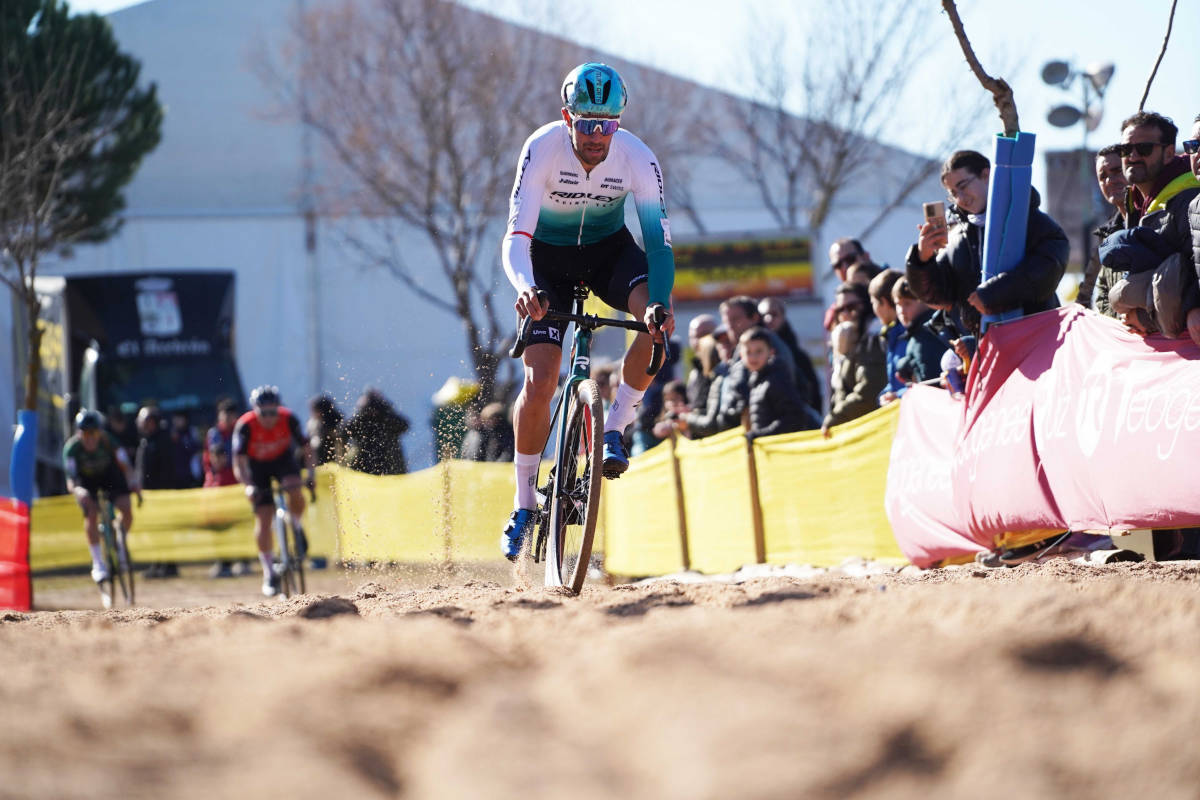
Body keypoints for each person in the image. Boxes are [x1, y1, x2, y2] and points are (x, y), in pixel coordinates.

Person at [498, 62, 676, 560]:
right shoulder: (541, 147)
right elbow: (516, 236)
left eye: (607, 124)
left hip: (607, 254)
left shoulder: (638, 158)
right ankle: (524, 502)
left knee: (655, 319)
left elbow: (659, 248)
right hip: (546, 263)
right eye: (587, 123)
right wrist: (526, 286)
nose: (598, 135)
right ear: (567, 117)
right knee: (540, 380)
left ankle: (616, 425)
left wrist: (658, 302)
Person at [907, 149, 1069, 338]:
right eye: (953, 193)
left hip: (1035, 339)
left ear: (986, 175)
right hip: (982, 346)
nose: (960, 198)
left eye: (963, 185)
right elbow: (938, 296)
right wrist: (922, 260)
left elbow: (1047, 269)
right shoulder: (955, 234)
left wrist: (994, 296)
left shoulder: (1028, 218)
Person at [1114, 111, 1200, 346]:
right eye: (1124, 150)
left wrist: (1143, 317)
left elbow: (1186, 278)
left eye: (1143, 149)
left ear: (1169, 153)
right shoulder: (1134, 205)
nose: (1131, 156)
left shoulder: (1188, 199)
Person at [231, 386, 315, 597]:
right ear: (254, 410)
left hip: (282, 461)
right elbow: (238, 464)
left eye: (273, 412)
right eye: (264, 413)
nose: (269, 417)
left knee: (295, 487)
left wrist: (311, 475)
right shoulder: (245, 426)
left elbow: (307, 448)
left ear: (279, 408)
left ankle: (295, 525)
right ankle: (269, 572)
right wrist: (248, 485)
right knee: (263, 517)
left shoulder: (289, 419)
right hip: (257, 467)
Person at [63, 410, 142, 586]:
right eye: (85, 433)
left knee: (126, 507)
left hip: (109, 477)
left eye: (94, 433)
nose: (90, 438)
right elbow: (71, 479)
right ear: (78, 433)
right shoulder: (72, 449)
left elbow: (125, 466)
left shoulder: (108, 441)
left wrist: (133, 483)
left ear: (100, 432)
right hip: (85, 482)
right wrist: (78, 491)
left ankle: (120, 545)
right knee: (91, 512)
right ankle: (98, 563)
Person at [822, 282, 886, 436]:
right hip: (852, 432)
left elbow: (868, 392)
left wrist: (834, 418)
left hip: (872, 432)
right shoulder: (843, 344)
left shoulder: (873, 341)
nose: (846, 314)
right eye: (840, 309)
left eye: (851, 307)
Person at [740, 327, 820, 439]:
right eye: (748, 352)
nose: (753, 357)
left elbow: (794, 417)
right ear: (741, 355)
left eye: (759, 351)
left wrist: (762, 434)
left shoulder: (776, 379)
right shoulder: (757, 381)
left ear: (771, 352)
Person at [758, 297, 823, 415]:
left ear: (783, 317)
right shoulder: (750, 350)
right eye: (763, 315)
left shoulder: (798, 356)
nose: (768, 319)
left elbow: (813, 394)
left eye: (774, 314)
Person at [1087, 144, 1129, 315]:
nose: (1110, 180)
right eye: (1102, 176)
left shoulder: (1158, 219)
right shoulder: (1107, 237)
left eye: (1117, 171)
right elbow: (1103, 295)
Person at [892, 276, 949, 388]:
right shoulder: (917, 334)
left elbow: (930, 383)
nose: (901, 311)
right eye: (898, 304)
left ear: (925, 302)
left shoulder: (925, 336)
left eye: (907, 303)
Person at [343, 388, 410, 475]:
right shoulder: (362, 421)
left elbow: (404, 425)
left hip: (389, 464)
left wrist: (385, 412)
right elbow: (344, 430)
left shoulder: (387, 418)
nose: (372, 413)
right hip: (365, 465)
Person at [824, 238, 881, 332]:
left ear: (866, 257)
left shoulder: (891, 289)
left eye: (850, 259)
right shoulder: (836, 310)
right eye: (838, 265)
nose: (845, 267)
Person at [868, 269, 906, 405]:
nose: (874, 309)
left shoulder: (907, 334)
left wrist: (899, 396)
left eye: (873, 303)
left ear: (883, 302)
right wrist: (885, 396)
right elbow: (894, 384)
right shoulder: (893, 334)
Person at [684, 314, 717, 409]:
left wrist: (689, 417)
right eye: (693, 337)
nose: (697, 341)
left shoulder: (724, 368)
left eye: (704, 334)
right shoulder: (695, 371)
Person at [307, 394, 344, 467]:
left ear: (321, 412)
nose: (312, 413)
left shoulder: (336, 423)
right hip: (319, 459)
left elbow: (340, 444)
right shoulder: (313, 423)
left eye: (314, 411)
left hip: (334, 459)